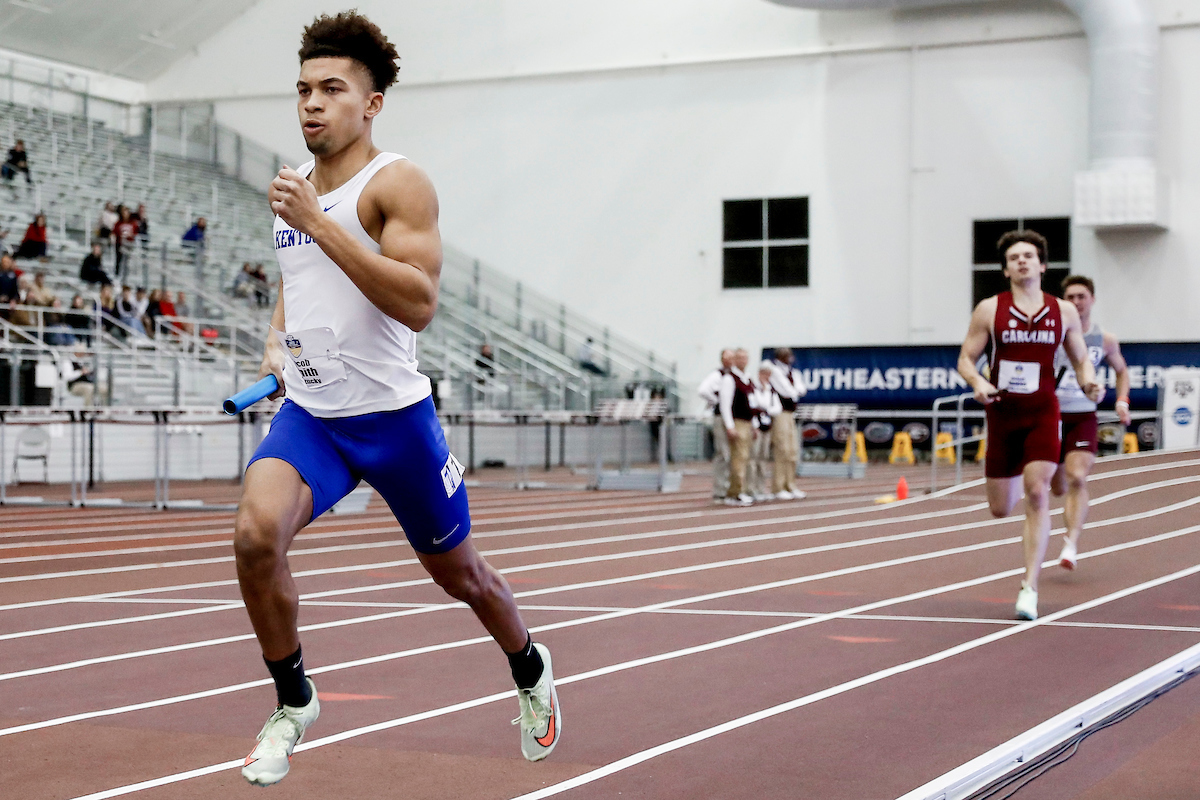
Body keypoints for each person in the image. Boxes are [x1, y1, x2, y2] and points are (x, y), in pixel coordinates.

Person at [234, 11, 560, 787]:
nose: (312, 103)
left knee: (463, 578)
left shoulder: (398, 183)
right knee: (254, 537)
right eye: (304, 89)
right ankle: (294, 701)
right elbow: (297, 285)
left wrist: (318, 223)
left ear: (372, 103)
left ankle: (528, 663)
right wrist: (278, 342)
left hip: (394, 422)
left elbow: (417, 302)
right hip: (314, 418)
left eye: (332, 89)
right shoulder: (293, 188)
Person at [958, 230, 1101, 622]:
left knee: (1037, 492)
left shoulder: (1063, 311)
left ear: (1042, 265)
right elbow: (966, 359)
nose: (1022, 261)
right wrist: (978, 381)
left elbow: (1081, 359)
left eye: (1029, 256)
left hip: (1043, 410)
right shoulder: (989, 309)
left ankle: (1029, 588)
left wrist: (1089, 381)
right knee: (1000, 508)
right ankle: (1022, 492)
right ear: (1006, 269)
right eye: (1014, 257)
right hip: (1002, 414)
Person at [1051, 275, 1132, 570]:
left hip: (1083, 414)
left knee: (1077, 478)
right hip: (1051, 414)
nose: (1076, 302)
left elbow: (1122, 371)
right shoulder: (1052, 335)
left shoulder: (1105, 340)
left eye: (1081, 296)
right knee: (1058, 486)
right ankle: (1067, 519)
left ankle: (1071, 544)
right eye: (1070, 297)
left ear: (1092, 300)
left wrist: (1121, 401)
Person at [718, 348, 757, 506]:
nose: (743, 360)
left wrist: (754, 425)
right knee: (738, 459)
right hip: (737, 422)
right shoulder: (729, 379)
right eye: (739, 358)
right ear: (734, 360)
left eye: (745, 358)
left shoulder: (747, 378)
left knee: (746, 459)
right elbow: (725, 404)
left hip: (747, 422)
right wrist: (729, 426)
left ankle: (743, 489)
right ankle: (734, 492)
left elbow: (752, 403)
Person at [769, 347, 807, 501]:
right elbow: (786, 391)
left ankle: (790, 485)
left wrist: (795, 390)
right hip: (780, 413)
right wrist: (794, 391)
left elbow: (801, 389)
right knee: (782, 449)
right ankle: (778, 486)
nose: (790, 358)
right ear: (779, 356)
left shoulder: (793, 372)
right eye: (786, 355)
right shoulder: (774, 370)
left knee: (792, 450)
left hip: (791, 414)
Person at [698, 349, 733, 501]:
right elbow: (703, 390)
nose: (730, 360)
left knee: (733, 455)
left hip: (734, 417)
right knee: (723, 453)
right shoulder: (717, 375)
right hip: (720, 417)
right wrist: (716, 401)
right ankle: (720, 489)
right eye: (727, 358)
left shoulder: (735, 376)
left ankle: (731, 487)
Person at [749, 360, 783, 502]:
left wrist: (766, 409)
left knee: (763, 458)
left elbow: (777, 408)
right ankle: (750, 488)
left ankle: (761, 487)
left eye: (768, 374)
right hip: (756, 425)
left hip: (767, 426)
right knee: (753, 458)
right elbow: (753, 405)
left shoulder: (771, 389)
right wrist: (755, 424)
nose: (766, 377)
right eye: (764, 374)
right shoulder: (753, 388)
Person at [113, 206, 139, 278]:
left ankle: (126, 275)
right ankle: (117, 275)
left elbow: (136, 233)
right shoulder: (118, 223)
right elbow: (115, 232)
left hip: (129, 243)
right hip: (120, 244)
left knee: (128, 261)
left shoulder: (133, 223)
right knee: (119, 260)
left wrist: (131, 235)